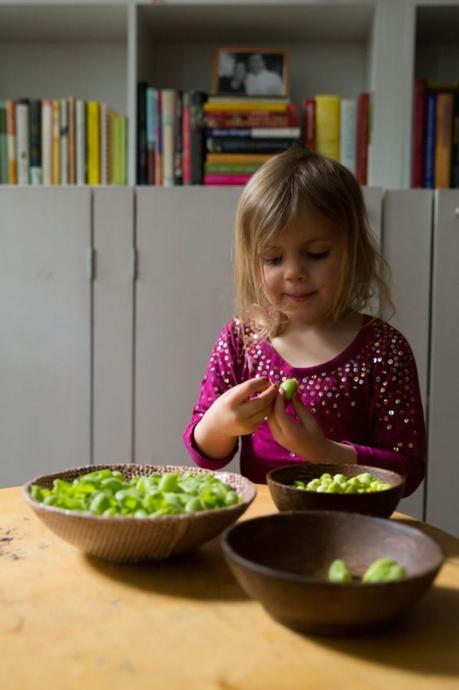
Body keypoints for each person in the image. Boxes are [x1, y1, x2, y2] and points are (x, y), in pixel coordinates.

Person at [183, 147, 426, 496]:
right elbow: (206, 455)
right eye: (273, 258)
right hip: (262, 526)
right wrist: (221, 423)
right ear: (253, 262)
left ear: (352, 251)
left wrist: (325, 453)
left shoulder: (384, 349)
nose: (294, 272)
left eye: (316, 254)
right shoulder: (242, 340)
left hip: (351, 527)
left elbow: (408, 470)